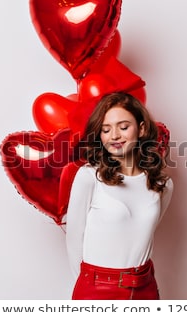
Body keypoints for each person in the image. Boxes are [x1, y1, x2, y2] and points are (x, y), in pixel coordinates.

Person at [65, 92, 173, 300]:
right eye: (106, 130)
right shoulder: (89, 177)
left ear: (141, 129)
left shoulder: (163, 185)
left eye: (123, 127)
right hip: (97, 289)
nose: (114, 136)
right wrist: (88, 286)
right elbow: (74, 240)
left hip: (145, 288)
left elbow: (143, 232)